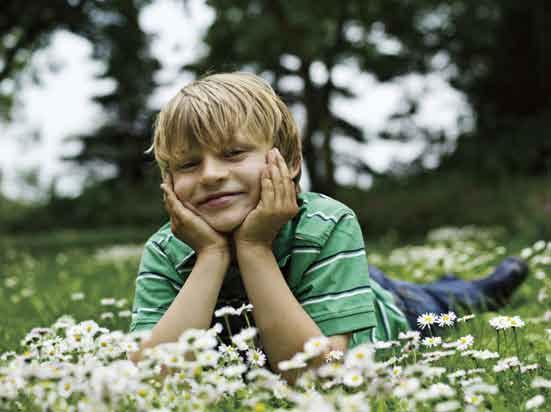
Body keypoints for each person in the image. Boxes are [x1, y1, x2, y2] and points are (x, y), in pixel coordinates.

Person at [128, 72, 528, 379]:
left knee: (438, 305)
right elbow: (154, 377)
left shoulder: (328, 224)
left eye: (233, 153)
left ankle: (474, 287)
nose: (211, 174)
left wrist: (254, 248)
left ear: (289, 162)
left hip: (393, 310)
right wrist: (212, 255)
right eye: (188, 164)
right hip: (325, 285)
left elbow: (317, 376)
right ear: (168, 182)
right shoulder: (166, 251)